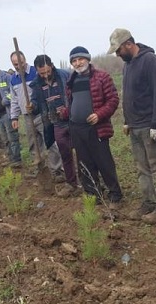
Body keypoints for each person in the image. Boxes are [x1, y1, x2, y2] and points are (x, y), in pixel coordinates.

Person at [109, 28, 156, 224]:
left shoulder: (150, 61)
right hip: (135, 126)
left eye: (118, 50)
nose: (117, 54)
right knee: (141, 168)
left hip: (149, 125)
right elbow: (129, 94)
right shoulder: (128, 65)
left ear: (128, 44)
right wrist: (127, 121)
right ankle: (148, 202)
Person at [61, 46, 123, 209]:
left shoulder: (102, 77)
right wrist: (65, 113)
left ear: (88, 59)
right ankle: (92, 194)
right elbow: (73, 103)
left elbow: (113, 100)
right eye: (74, 61)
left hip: (96, 128)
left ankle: (115, 195)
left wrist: (99, 114)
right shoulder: (71, 81)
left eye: (80, 59)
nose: (77, 63)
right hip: (76, 128)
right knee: (84, 163)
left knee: (104, 161)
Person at [29, 54, 80, 197]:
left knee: (82, 152)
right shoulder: (36, 84)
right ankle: (72, 184)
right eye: (41, 73)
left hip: (73, 120)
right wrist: (32, 106)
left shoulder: (66, 76)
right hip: (56, 123)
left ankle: (88, 180)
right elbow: (36, 104)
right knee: (65, 154)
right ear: (37, 71)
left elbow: (76, 95)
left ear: (51, 65)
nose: (45, 75)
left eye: (47, 72)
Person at [9, 51, 64, 181]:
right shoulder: (13, 79)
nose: (18, 66)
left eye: (20, 63)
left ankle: (57, 170)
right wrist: (14, 117)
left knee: (50, 142)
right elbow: (14, 100)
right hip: (27, 116)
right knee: (33, 144)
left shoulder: (36, 72)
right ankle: (41, 169)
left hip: (42, 114)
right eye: (15, 64)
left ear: (25, 60)